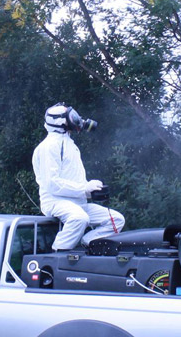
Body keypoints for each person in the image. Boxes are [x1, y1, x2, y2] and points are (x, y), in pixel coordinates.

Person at [32, 103, 125, 251]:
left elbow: (71, 178)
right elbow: (52, 184)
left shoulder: (69, 143)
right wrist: (84, 189)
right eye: (71, 116)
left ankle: (87, 244)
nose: (76, 119)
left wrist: (90, 187)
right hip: (56, 201)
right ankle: (57, 253)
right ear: (60, 122)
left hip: (78, 202)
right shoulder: (48, 146)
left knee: (116, 220)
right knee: (79, 218)